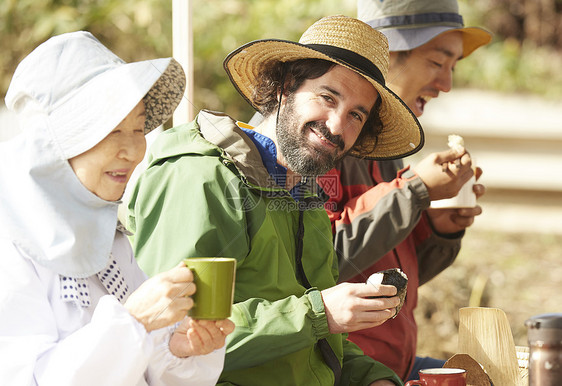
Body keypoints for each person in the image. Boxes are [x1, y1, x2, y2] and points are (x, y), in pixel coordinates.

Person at [128, 15, 425, 386]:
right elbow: (176, 340)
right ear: (285, 87)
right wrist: (320, 314)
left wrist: (372, 379)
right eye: (327, 97)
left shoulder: (304, 195)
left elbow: (319, 345)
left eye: (355, 116)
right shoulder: (202, 178)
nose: (336, 126)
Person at [0, 31, 234, 385]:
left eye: (139, 128)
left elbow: (139, 367)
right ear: (53, 144)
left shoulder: (105, 235)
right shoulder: (11, 240)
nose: (134, 150)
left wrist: (177, 348)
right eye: (111, 130)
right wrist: (135, 321)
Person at [315, 0, 493, 381]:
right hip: (344, 371)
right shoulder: (322, 143)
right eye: (436, 62)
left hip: (390, 367)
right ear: (387, 53)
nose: (446, 84)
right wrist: (412, 191)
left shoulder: (389, 149)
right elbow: (318, 263)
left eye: (451, 67)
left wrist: (436, 229)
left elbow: (387, 282)